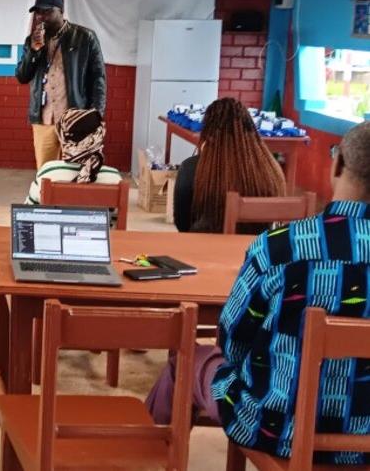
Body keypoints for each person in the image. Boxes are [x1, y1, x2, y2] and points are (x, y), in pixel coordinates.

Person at [146, 122, 370, 466]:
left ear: (337, 165)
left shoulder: (282, 247)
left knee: (187, 361)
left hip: (274, 428)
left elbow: (233, 337)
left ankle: (148, 454)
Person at [15, 0, 106, 169]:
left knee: (75, 171)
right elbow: (22, 76)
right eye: (38, 13)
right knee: (45, 172)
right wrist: (34, 51)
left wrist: (96, 114)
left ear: (61, 11)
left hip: (75, 118)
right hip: (44, 120)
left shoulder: (84, 37)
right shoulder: (33, 41)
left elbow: (98, 78)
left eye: (47, 12)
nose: (41, 17)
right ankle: (46, 198)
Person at [173, 98, 286, 233]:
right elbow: (271, 221)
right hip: (256, 249)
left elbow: (182, 223)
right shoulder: (271, 169)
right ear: (251, 129)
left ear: (208, 133)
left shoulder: (191, 168)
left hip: (204, 248)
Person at [25, 109, 121, 204]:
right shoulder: (114, 178)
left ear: (63, 137)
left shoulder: (48, 172)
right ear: (99, 136)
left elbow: (28, 211)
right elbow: (115, 217)